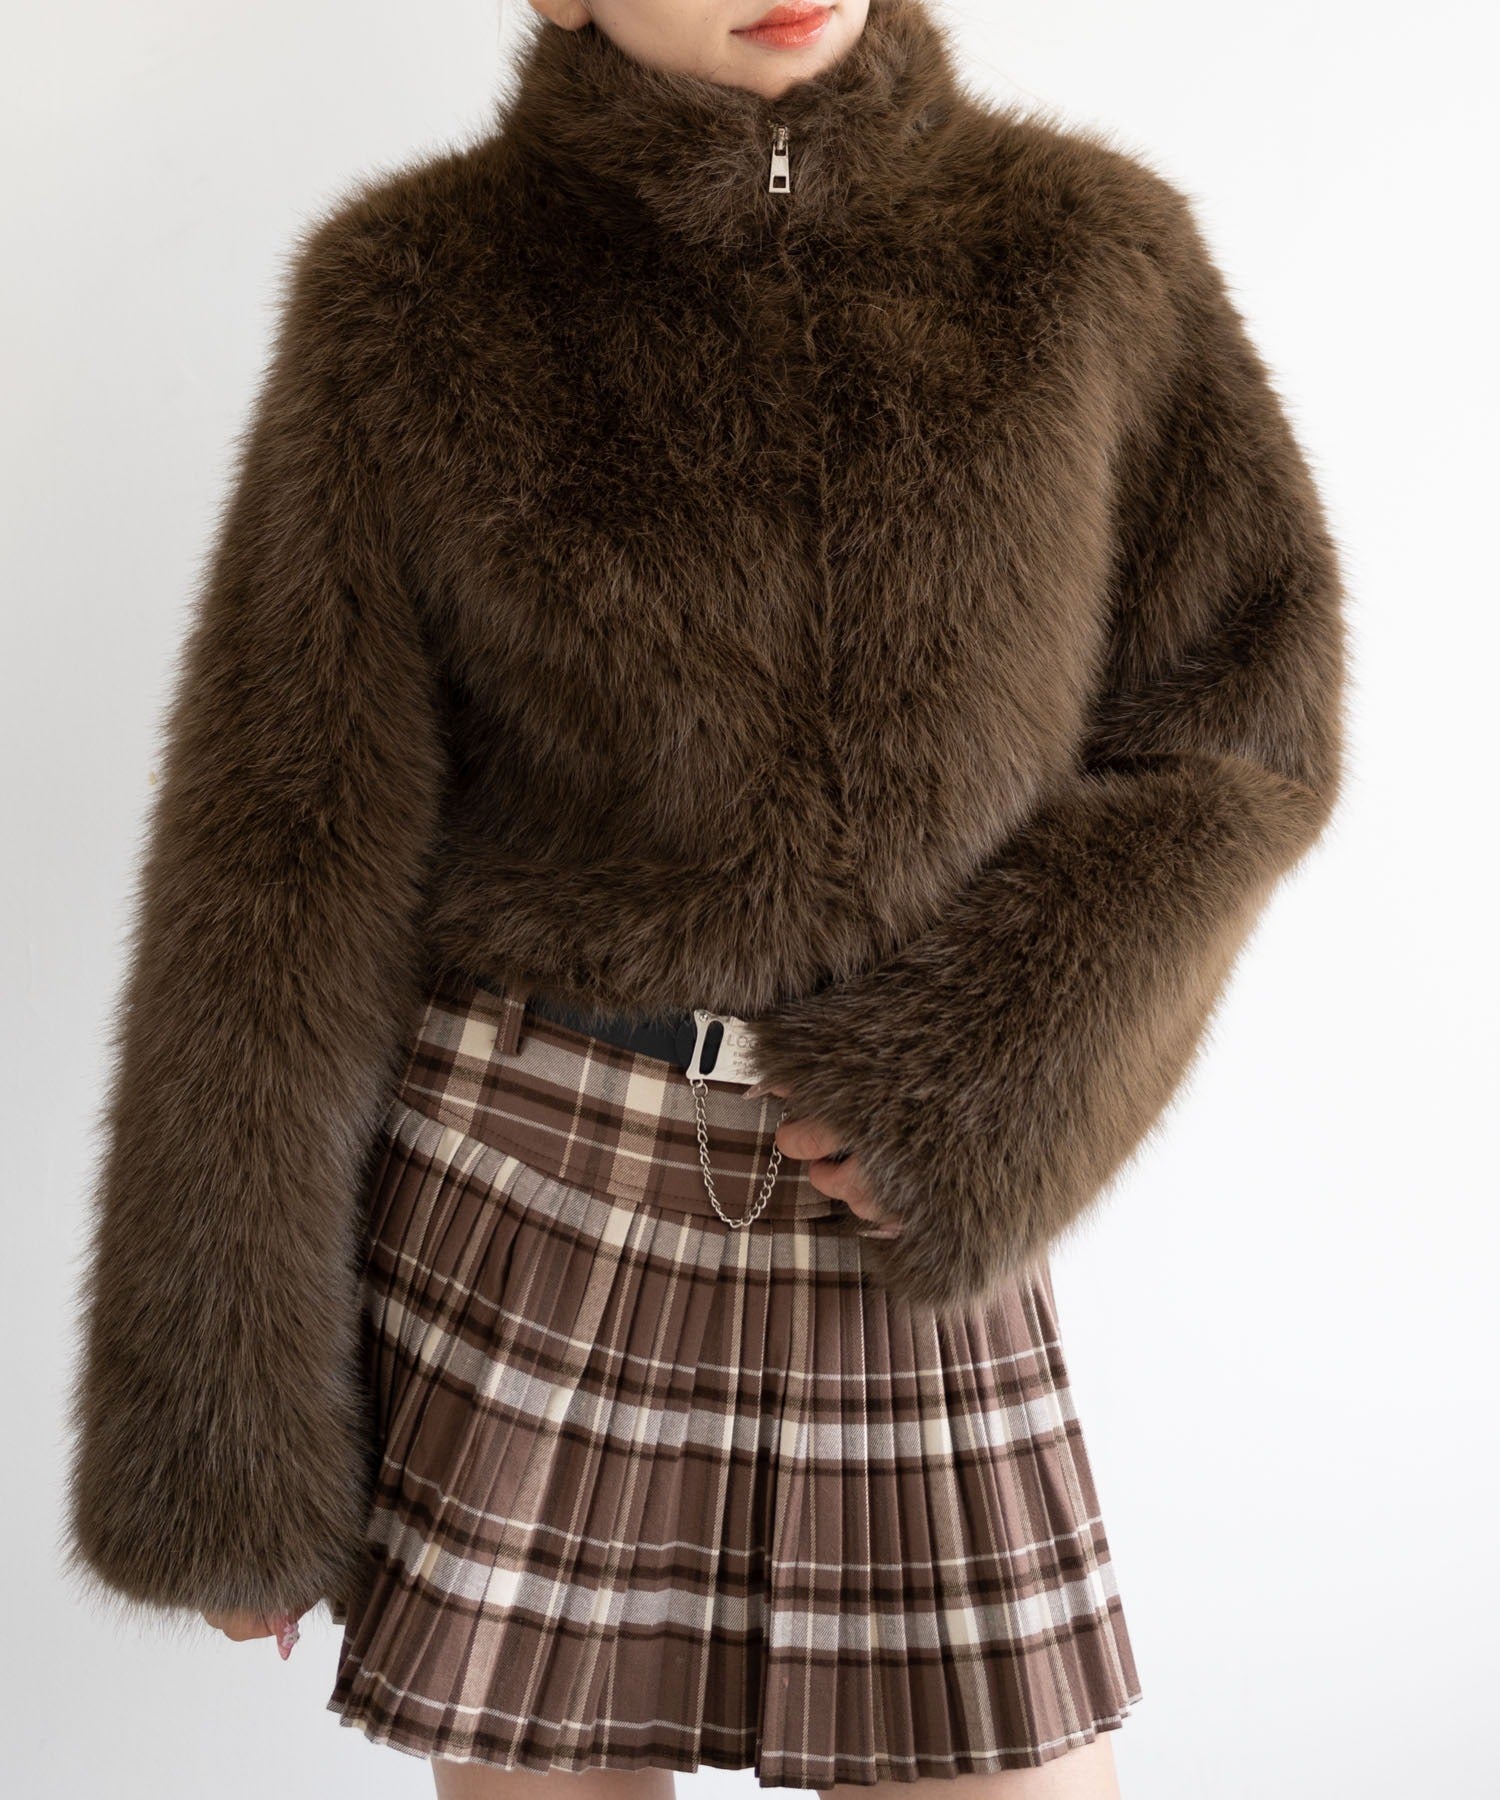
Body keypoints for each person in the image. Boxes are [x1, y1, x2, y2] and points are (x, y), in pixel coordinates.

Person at [62, 2, 1347, 1797]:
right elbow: (275, 863)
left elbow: (1248, 731)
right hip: (526, 1184)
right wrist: (224, 1438)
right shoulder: (413, 296)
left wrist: (991, 1068)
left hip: (891, 1197)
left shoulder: (1087, 257)